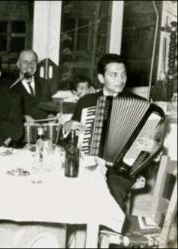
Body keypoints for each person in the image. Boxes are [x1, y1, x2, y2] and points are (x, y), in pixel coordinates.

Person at [64, 53, 165, 247]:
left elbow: (153, 145)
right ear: (101, 78)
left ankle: (109, 241)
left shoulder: (142, 106)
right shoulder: (87, 103)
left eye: (123, 74)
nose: (120, 79)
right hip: (89, 164)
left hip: (121, 169)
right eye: (113, 75)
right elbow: (69, 141)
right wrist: (68, 128)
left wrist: (154, 148)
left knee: (110, 191)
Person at [10, 49, 58, 123]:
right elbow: (5, 112)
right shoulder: (10, 86)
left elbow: (50, 107)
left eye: (33, 62)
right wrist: (22, 118)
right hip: (21, 131)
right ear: (18, 64)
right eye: (25, 62)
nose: (30, 65)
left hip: (42, 130)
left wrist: (51, 115)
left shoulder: (44, 83)